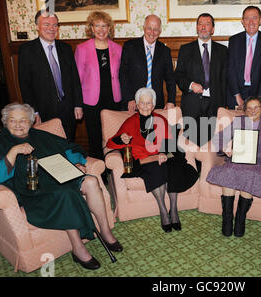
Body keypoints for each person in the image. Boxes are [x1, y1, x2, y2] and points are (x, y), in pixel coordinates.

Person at [0, 103, 123, 270]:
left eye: (23, 120)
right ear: (5, 122)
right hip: (33, 189)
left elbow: (67, 147)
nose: (18, 124)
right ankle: (78, 248)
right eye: (12, 120)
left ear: (31, 121)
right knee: (66, 193)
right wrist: (14, 151)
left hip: (59, 177)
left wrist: (77, 163)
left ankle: (105, 232)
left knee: (90, 181)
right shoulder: (1, 141)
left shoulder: (39, 135)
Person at [106, 88, 198, 233]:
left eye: (149, 103)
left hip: (162, 156)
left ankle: (173, 209)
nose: (145, 106)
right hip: (144, 161)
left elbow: (170, 141)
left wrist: (163, 153)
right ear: (137, 104)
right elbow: (110, 143)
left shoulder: (161, 119)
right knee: (156, 169)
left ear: (153, 105)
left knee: (174, 167)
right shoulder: (129, 122)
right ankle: (163, 210)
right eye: (142, 103)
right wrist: (121, 138)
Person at [206, 96, 261, 237]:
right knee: (229, 170)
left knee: (250, 173)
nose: (252, 111)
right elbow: (219, 138)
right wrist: (225, 147)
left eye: (256, 108)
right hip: (237, 159)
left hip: (258, 162)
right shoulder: (238, 121)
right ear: (245, 110)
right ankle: (227, 219)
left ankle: (241, 219)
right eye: (249, 108)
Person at [18, 10, 83, 142]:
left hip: (67, 108)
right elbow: (25, 85)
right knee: (49, 147)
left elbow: (74, 79)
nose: (51, 29)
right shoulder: (27, 50)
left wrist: (78, 104)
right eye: (46, 24)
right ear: (37, 26)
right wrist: (34, 112)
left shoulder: (66, 48)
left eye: (55, 25)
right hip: (43, 110)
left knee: (69, 143)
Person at [174, 13, 228, 146]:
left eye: (207, 24)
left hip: (215, 105)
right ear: (197, 27)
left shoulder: (223, 51)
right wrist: (191, 84)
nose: (203, 27)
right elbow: (178, 75)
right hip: (192, 105)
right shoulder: (185, 50)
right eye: (200, 24)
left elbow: (225, 79)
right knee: (191, 146)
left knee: (212, 147)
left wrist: (225, 104)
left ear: (213, 29)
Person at [74, 11, 122, 160]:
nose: (101, 29)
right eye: (97, 26)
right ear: (92, 28)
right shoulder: (82, 49)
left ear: (109, 28)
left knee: (113, 136)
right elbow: (77, 79)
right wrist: (78, 104)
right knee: (94, 136)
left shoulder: (118, 48)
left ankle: (112, 169)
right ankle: (98, 170)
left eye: (104, 26)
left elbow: (121, 75)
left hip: (113, 99)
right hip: (91, 101)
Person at [119, 14, 176, 111]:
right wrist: (129, 98)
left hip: (156, 104)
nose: (152, 33)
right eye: (149, 28)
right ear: (144, 28)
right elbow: (123, 74)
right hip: (134, 103)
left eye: (156, 29)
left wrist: (171, 101)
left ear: (160, 31)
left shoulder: (165, 51)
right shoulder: (130, 46)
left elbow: (170, 78)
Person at [227, 6, 261, 110]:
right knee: (237, 125)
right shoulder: (234, 40)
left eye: (255, 18)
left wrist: (258, 99)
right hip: (236, 94)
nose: (251, 22)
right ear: (242, 21)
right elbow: (230, 69)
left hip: (259, 93)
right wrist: (237, 95)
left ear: (260, 20)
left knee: (256, 126)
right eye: (247, 18)